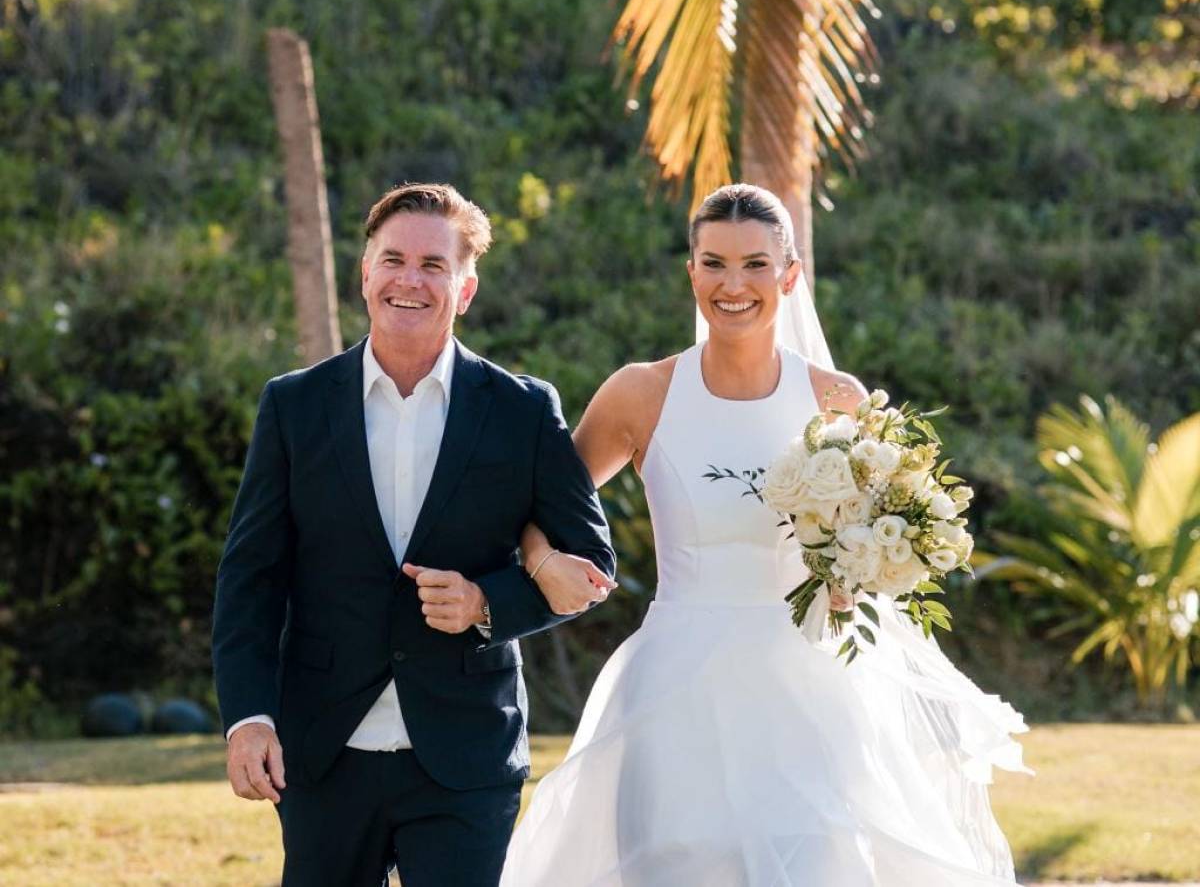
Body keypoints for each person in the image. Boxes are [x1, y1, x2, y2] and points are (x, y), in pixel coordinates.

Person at [502, 183, 1030, 886]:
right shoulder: (641, 393)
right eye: (714, 263)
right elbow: (543, 508)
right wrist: (541, 564)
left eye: (755, 264)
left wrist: (855, 580)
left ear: (790, 274)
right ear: (690, 270)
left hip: (810, 695)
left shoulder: (837, 399)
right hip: (675, 689)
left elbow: (878, 542)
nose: (733, 285)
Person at [211, 182, 616, 887]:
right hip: (323, 754)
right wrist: (248, 717)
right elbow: (251, 580)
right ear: (365, 273)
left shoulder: (523, 410)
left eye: (434, 265)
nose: (409, 279)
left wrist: (487, 604)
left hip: (467, 753)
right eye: (392, 259)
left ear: (465, 289)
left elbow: (590, 566)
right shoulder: (293, 405)